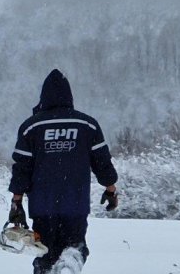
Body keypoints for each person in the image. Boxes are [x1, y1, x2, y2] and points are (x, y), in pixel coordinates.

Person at [7, 69, 118, 274]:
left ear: (43, 96)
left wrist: (16, 203)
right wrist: (111, 190)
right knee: (74, 245)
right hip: (75, 203)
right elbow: (102, 163)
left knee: (44, 252)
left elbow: (22, 168)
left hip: (42, 205)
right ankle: (69, 263)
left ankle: (48, 269)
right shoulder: (87, 125)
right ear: (69, 96)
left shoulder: (31, 127)